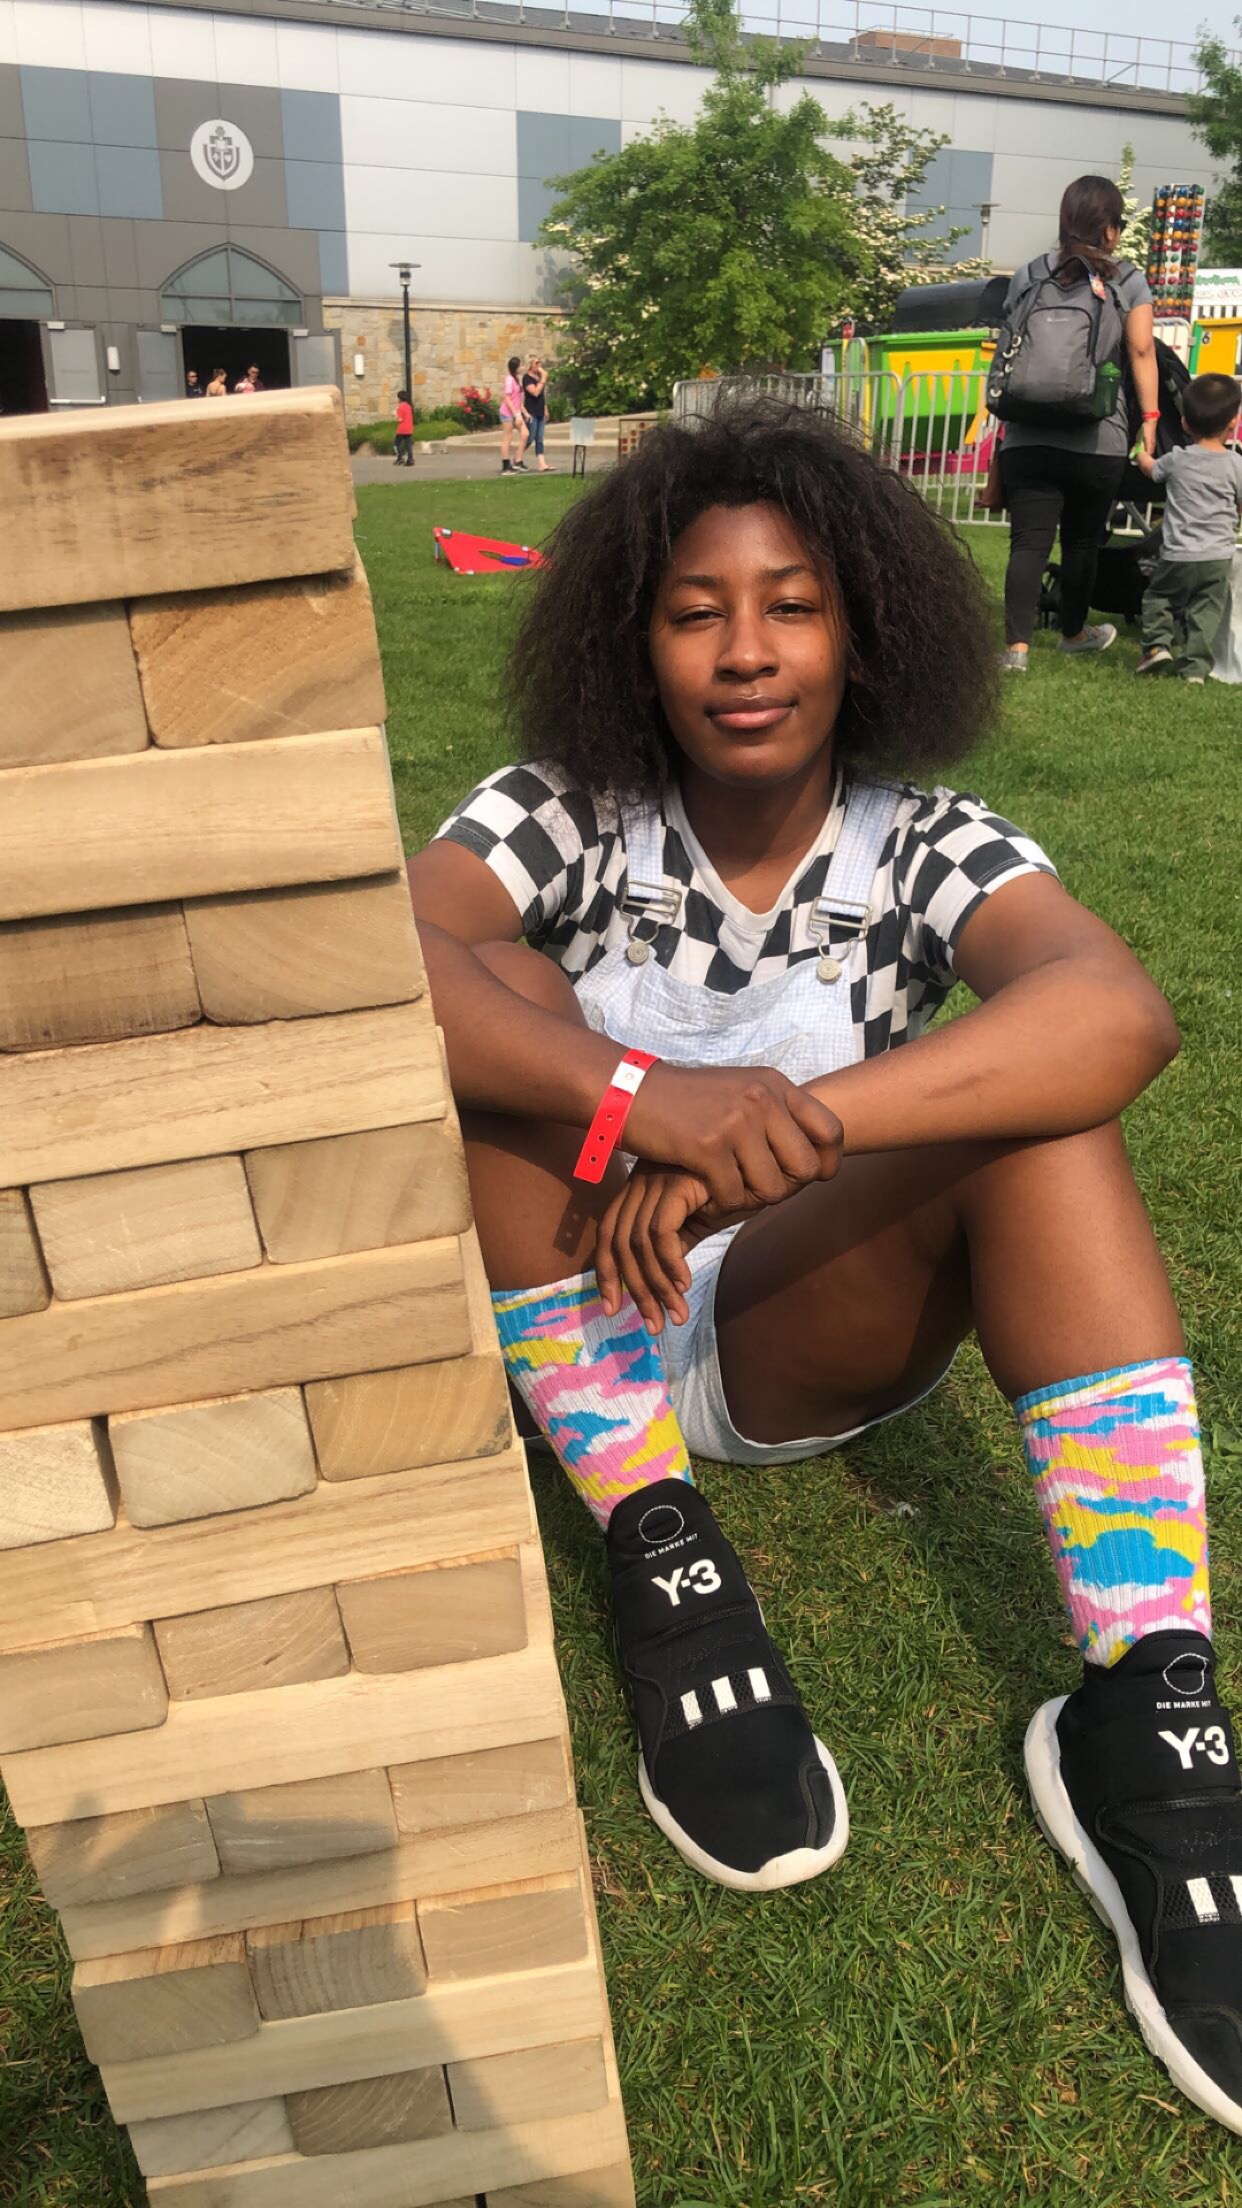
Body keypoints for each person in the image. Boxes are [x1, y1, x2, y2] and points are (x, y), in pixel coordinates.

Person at [408, 399, 1239, 2134]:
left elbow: (1115, 1011)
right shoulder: (565, 810)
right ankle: (661, 1547)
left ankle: (1145, 1708)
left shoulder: (922, 838)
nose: (744, 650)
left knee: (1043, 1109)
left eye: (790, 605)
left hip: (794, 1323)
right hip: (576, 1292)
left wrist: (775, 1135)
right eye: (693, 610)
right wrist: (638, 1098)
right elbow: (393, 949)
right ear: (630, 640)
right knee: (501, 1005)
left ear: (862, 632)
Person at [999, 176, 1160, 672]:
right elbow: (1141, 350)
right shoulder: (1127, 279)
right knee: (1083, 541)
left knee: (1028, 541)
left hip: (1027, 434)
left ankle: (1016, 649)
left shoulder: (1029, 274)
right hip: (1097, 437)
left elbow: (1010, 348)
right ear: (1110, 229)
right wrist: (1150, 420)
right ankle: (1072, 633)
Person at [1135, 371, 1242, 682]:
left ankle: (1157, 646)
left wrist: (1140, 453)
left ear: (1184, 423)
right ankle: (1194, 668)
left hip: (1178, 553)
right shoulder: (1236, 464)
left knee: (1159, 598)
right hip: (1218, 556)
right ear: (1233, 422)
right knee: (1206, 611)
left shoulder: (1177, 459)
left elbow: (1151, 470)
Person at [522, 355, 553, 473]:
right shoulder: (526, 378)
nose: (539, 365)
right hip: (531, 412)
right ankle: (517, 457)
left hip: (540, 411)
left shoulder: (539, 377)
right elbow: (535, 392)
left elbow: (541, 395)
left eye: (539, 362)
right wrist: (544, 378)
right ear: (530, 364)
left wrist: (545, 408)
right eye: (536, 363)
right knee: (530, 438)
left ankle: (542, 464)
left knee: (539, 439)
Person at [499, 355, 528, 474]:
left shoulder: (516, 379)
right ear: (515, 367)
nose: (522, 367)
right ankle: (506, 466)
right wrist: (516, 415)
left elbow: (518, 399)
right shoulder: (509, 379)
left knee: (525, 434)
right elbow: (508, 399)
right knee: (507, 438)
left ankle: (518, 461)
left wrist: (524, 412)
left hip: (516, 412)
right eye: (520, 365)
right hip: (507, 413)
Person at [394, 388, 415, 469]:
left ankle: (400, 458)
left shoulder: (400, 407)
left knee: (396, 444)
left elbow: (400, 419)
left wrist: (395, 414)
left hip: (401, 429)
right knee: (408, 445)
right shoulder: (409, 407)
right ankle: (410, 459)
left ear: (400, 399)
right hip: (409, 428)